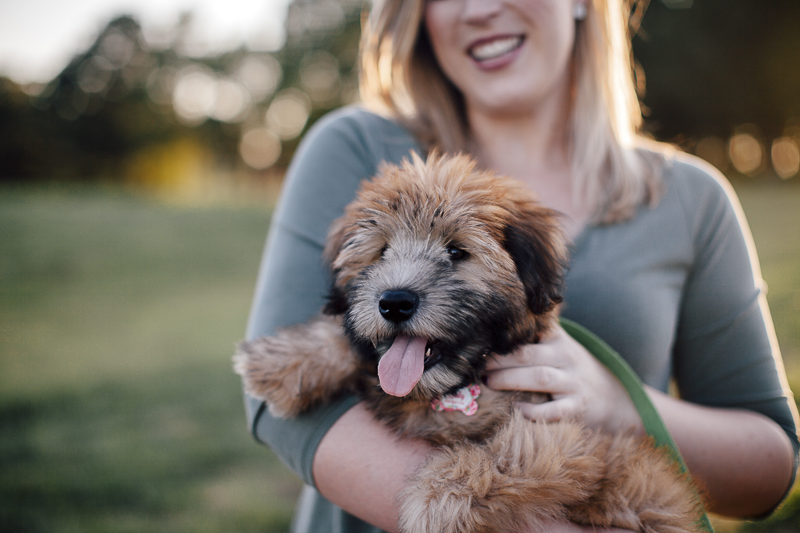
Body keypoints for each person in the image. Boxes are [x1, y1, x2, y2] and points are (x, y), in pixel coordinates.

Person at [243, 0, 799, 531]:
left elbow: (773, 466)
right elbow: (274, 392)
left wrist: (618, 400)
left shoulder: (693, 198)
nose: (479, 9)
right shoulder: (355, 145)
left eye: (457, 253)